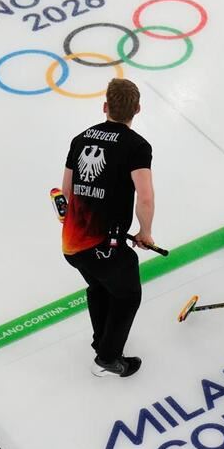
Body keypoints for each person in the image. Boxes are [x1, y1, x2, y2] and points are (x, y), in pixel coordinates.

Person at [61, 77, 155, 378]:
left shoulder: (80, 139)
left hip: (73, 244)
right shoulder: (137, 146)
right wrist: (145, 232)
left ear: (105, 107)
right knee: (128, 297)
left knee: (99, 285)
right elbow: (145, 197)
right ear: (137, 109)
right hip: (105, 246)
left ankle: (101, 339)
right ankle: (108, 359)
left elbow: (65, 193)